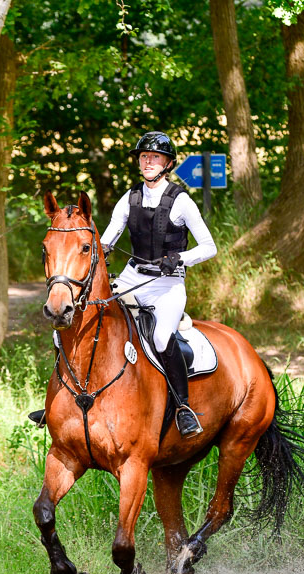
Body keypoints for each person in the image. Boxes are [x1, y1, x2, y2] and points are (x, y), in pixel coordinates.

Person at [101, 130, 217, 437]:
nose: (148, 162)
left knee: (162, 339)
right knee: (93, 316)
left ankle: (183, 407)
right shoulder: (130, 197)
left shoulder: (181, 201)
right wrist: (101, 249)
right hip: (132, 277)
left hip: (167, 285)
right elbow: (109, 235)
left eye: (155, 157)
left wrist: (179, 259)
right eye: (144, 157)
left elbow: (209, 247)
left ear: (168, 164)